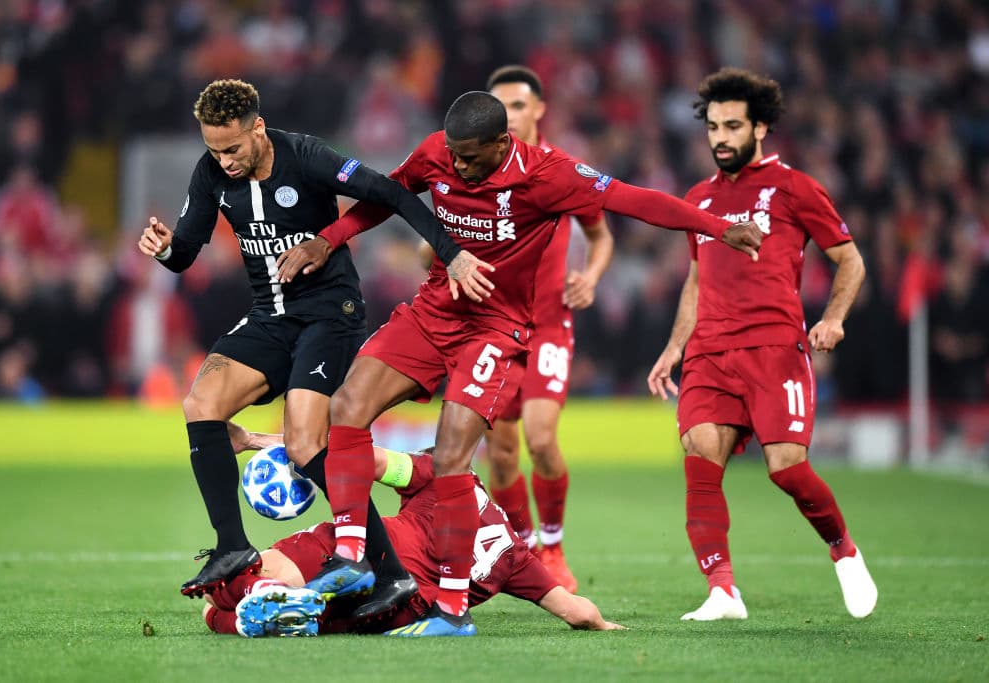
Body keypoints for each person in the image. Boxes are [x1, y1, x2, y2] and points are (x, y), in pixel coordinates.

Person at [280, 91, 763, 636]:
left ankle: (454, 613)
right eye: (454, 156)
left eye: (470, 157)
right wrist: (329, 238)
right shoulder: (436, 152)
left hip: (495, 329)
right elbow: (386, 197)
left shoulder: (547, 175)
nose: (458, 166)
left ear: (502, 142)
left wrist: (716, 227)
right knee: (347, 406)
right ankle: (352, 554)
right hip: (433, 312)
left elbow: (632, 199)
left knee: (451, 457)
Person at [136, 78, 493, 599]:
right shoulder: (211, 172)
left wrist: (451, 252)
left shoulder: (305, 157)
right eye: (214, 150)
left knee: (307, 445)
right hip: (269, 316)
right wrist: (166, 248)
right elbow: (186, 251)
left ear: (257, 128)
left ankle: (390, 572)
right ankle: (231, 545)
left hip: (331, 314)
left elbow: (391, 193)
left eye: (233, 148)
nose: (225, 161)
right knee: (200, 403)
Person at [646, 67, 877, 621]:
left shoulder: (795, 188)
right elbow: (697, 279)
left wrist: (835, 318)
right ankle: (723, 591)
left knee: (787, 468)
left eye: (732, 126)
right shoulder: (698, 198)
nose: (720, 137)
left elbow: (850, 259)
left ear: (761, 129)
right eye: (713, 127)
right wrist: (675, 345)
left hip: (773, 348)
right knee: (700, 454)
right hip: (709, 351)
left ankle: (844, 551)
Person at [200, 446, 625, 637]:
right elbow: (576, 612)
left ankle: (261, 592)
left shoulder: (437, 473)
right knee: (308, 622)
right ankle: (265, 610)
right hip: (400, 610)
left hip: (369, 554)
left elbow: (359, 459)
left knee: (221, 594)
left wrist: (264, 442)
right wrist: (605, 624)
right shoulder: (516, 555)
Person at [480, 65, 614, 592]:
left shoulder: (561, 171)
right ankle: (526, 549)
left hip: (550, 323)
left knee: (539, 439)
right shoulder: (477, 171)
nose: (508, 117)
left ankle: (553, 546)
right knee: (502, 452)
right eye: (498, 108)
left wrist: (592, 277)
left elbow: (601, 237)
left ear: (538, 110)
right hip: (494, 325)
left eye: (516, 106)